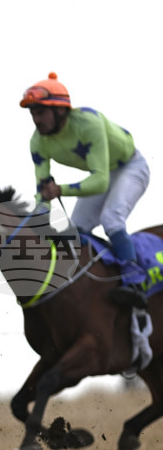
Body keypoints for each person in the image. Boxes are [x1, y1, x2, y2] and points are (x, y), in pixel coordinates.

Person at [21, 72, 151, 308]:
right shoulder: (37, 142)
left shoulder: (88, 123)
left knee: (111, 219)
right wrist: (38, 223)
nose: (35, 120)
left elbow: (99, 182)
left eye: (40, 112)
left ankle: (135, 283)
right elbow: (43, 191)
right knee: (75, 231)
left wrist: (60, 190)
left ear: (60, 110)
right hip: (106, 172)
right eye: (32, 113)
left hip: (131, 167)